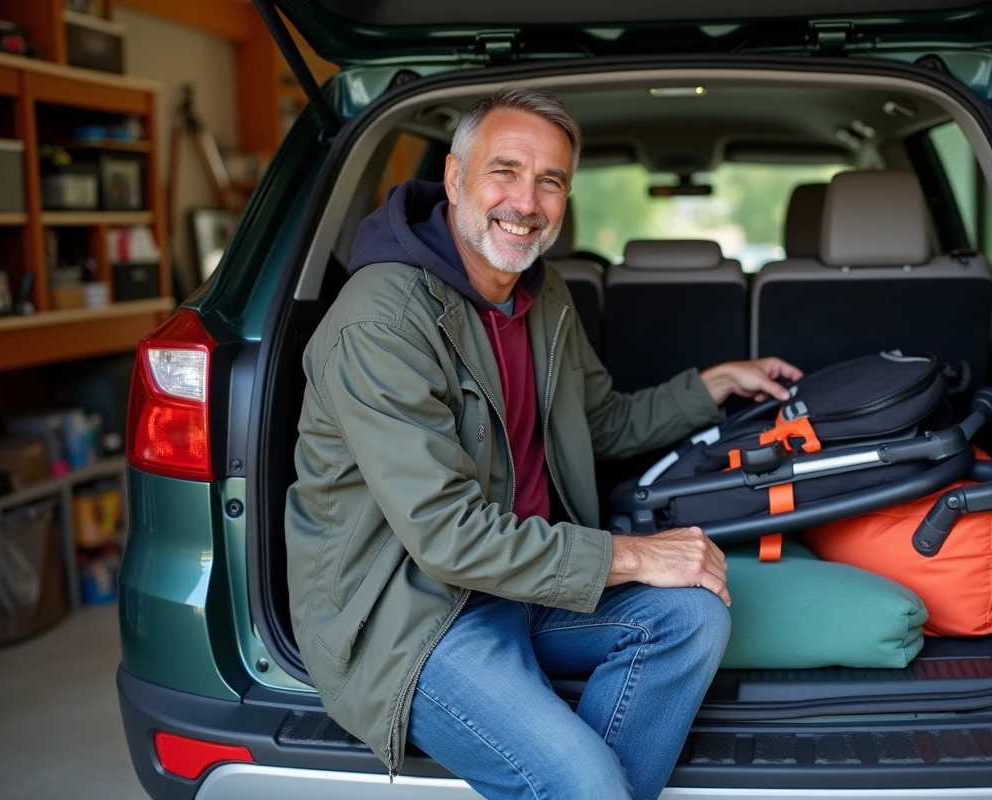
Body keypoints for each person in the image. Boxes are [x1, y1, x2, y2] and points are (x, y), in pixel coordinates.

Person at [284, 87, 802, 800]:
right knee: (582, 782)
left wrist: (710, 385)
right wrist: (634, 555)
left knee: (691, 614)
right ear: (455, 178)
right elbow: (448, 536)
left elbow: (598, 424)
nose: (526, 202)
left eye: (550, 181)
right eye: (505, 171)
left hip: (523, 579)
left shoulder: (540, 293)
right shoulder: (382, 322)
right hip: (414, 612)